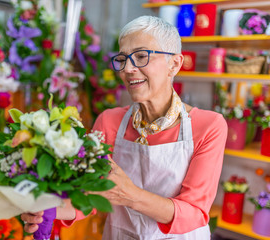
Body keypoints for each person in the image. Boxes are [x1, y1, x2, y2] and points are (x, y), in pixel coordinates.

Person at [21, 15, 227, 239]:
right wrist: (46, 210)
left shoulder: (209, 126)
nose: (128, 69)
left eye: (141, 56)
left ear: (174, 64)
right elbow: (88, 197)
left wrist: (131, 196)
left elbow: (194, 212)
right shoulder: (109, 121)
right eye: (122, 58)